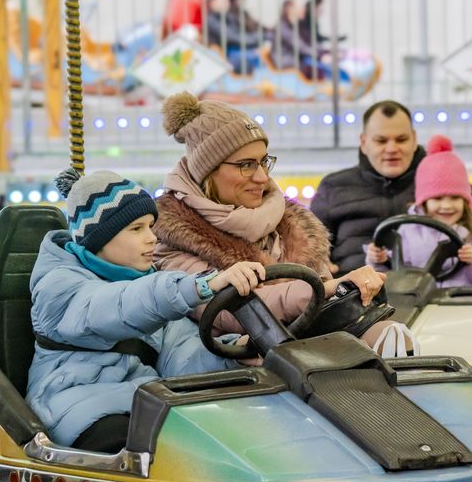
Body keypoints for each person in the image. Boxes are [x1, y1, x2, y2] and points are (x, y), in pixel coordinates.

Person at [151, 92, 416, 357]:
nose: (262, 177)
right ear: (208, 171)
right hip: (239, 366)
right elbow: (227, 311)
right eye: (246, 165)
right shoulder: (173, 236)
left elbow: (326, 311)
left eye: (263, 162)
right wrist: (323, 289)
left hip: (304, 354)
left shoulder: (293, 224)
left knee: (394, 337)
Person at [26, 168, 265, 451]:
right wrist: (200, 285)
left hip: (142, 401)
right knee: (143, 448)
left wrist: (232, 353)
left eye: (150, 226)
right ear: (99, 238)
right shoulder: (58, 284)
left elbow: (181, 357)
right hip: (72, 403)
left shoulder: (148, 286)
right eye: (136, 229)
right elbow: (115, 307)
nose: (152, 238)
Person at [310, 100, 472, 294]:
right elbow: (305, 244)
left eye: (401, 139)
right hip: (357, 298)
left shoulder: (443, 181)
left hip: (432, 297)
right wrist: (319, 266)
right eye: (381, 141)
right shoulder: (335, 188)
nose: (392, 149)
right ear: (364, 142)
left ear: (414, 140)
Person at [365, 135, 472, 288]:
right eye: (437, 198)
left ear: (465, 201)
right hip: (419, 300)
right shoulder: (408, 233)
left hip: (465, 300)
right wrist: (378, 261)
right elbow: (391, 282)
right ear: (424, 202)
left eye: (455, 198)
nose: (447, 206)